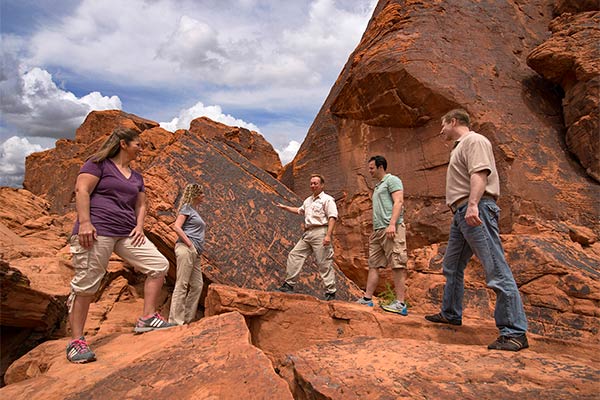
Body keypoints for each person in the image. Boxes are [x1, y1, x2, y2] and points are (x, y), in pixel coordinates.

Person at [66, 127, 174, 364]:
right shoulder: (98, 164)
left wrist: (140, 226)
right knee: (87, 282)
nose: (141, 148)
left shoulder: (136, 176)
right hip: (97, 229)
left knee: (158, 265)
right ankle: (76, 341)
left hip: (126, 232)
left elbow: (141, 204)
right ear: (123, 144)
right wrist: (85, 222)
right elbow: (81, 189)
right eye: (138, 144)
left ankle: (147, 318)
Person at [425, 109, 529, 351]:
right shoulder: (460, 146)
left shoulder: (475, 140)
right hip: (461, 214)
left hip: (475, 209)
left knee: (495, 267)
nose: (441, 131)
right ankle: (450, 313)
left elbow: (480, 173)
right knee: (451, 265)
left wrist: (473, 205)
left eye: (442, 124)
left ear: (453, 121)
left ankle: (514, 332)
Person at [356, 156, 409, 316]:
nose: (369, 171)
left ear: (380, 167)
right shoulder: (378, 186)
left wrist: (392, 223)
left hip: (391, 228)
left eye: (371, 168)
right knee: (373, 264)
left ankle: (400, 303)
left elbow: (399, 202)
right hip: (378, 230)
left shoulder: (392, 180)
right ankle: (367, 298)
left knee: (397, 263)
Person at [275, 174, 338, 300]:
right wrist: (285, 207)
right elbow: (300, 210)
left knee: (324, 262)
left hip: (321, 232)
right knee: (295, 254)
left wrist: (328, 235)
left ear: (322, 185)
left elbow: (332, 217)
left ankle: (331, 292)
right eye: (311, 183)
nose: (313, 186)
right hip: (308, 233)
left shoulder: (327, 199)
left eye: (316, 183)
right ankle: (289, 285)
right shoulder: (308, 200)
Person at [169, 183, 206, 325]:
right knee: (182, 284)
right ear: (195, 194)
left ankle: (187, 319)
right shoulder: (186, 208)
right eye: (202, 193)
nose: (203, 196)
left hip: (195, 252)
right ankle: (175, 321)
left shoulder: (194, 210)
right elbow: (176, 227)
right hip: (186, 248)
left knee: (197, 285)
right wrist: (189, 244)